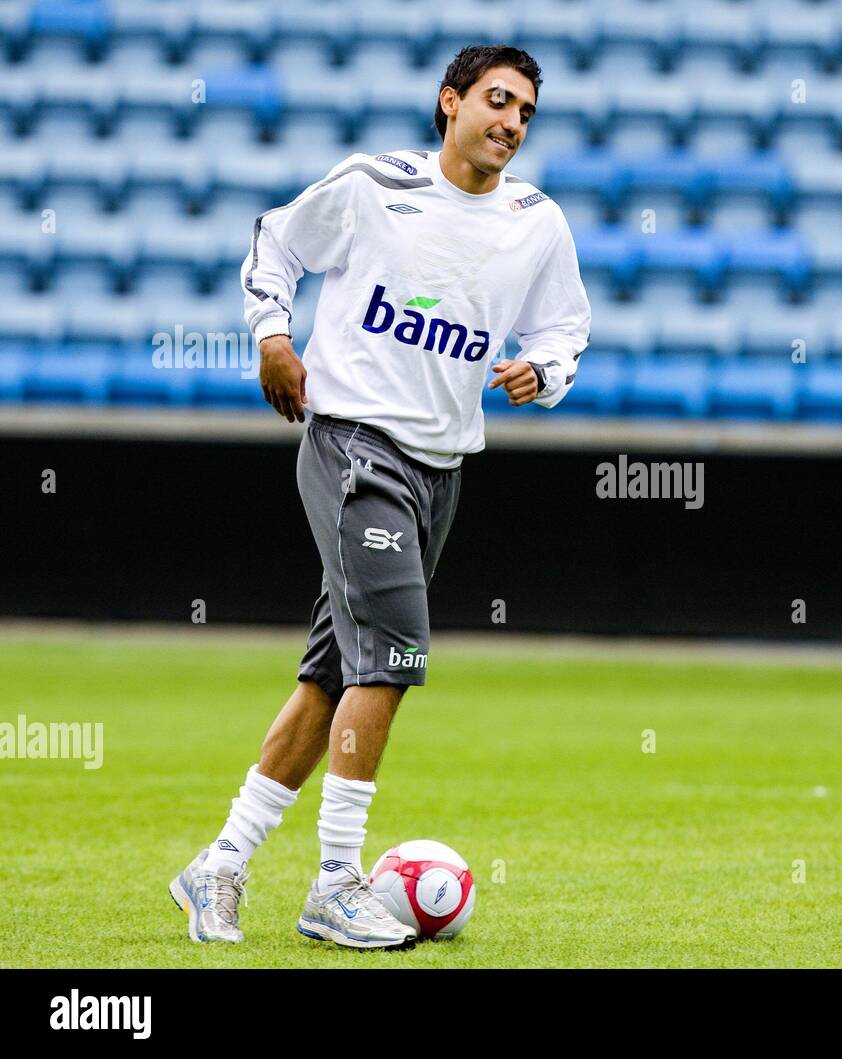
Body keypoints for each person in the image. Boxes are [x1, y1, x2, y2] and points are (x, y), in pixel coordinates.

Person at [169, 44, 590, 948]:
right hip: (354, 443)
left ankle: (220, 863)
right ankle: (333, 881)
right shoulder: (375, 183)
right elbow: (275, 237)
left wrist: (543, 368)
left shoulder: (537, 221)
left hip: (441, 468)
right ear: (450, 102)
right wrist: (273, 335)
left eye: (525, 112)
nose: (511, 123)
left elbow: (567, 327)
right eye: (496, 101)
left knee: (335, 673)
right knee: (393, 654)